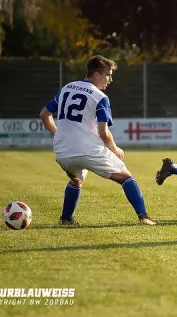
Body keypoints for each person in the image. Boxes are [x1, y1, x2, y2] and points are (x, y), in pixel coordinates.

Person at [39, 55, 156, 226]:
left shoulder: (67, 88)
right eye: (107, 74)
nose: (110, 79)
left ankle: (66, 219)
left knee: (76, 179)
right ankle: (144, 217)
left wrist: (58, 135)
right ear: (95, 75)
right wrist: (115, 149)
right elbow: (103, 132)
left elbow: (44, 114)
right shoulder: (100, 96)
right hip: (88, 150)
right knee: (127, 178)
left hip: (62, 152)